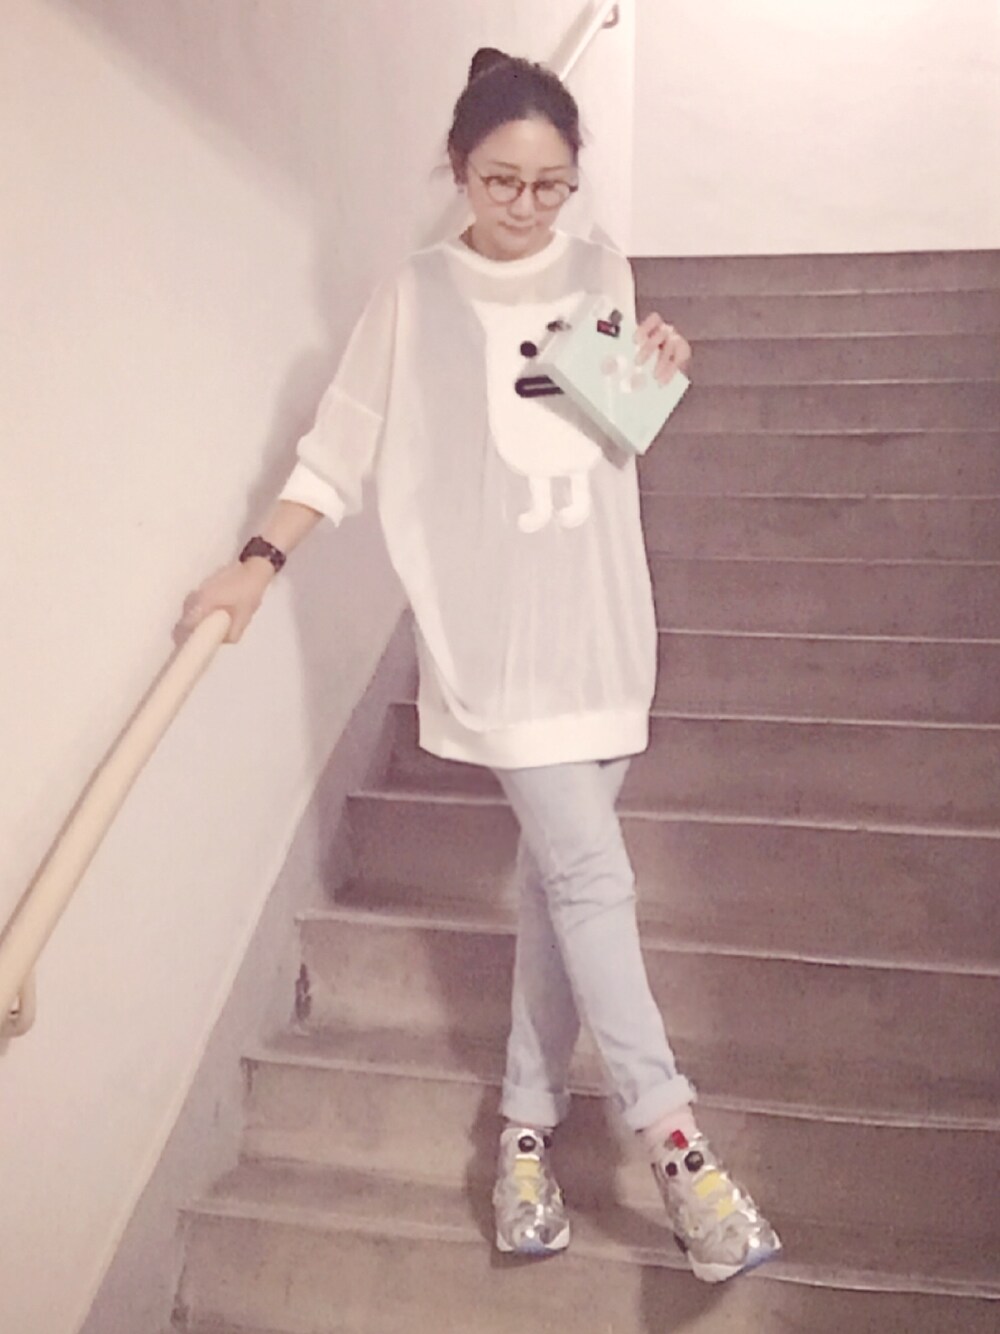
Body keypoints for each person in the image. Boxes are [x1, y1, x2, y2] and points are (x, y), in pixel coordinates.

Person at [178, 48, 780, 1284]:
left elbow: (601, 437)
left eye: (551, 185)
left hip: (602, 627)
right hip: (497, 643)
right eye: (502, 181)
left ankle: (522, 1136)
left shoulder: (600, 266)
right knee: (590, 876)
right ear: (457, 169)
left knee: (562, 888)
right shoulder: (413, 295)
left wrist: (657, 372)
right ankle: (675, 1143)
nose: (527, 206)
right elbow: (337, 450)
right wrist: (254, 562)